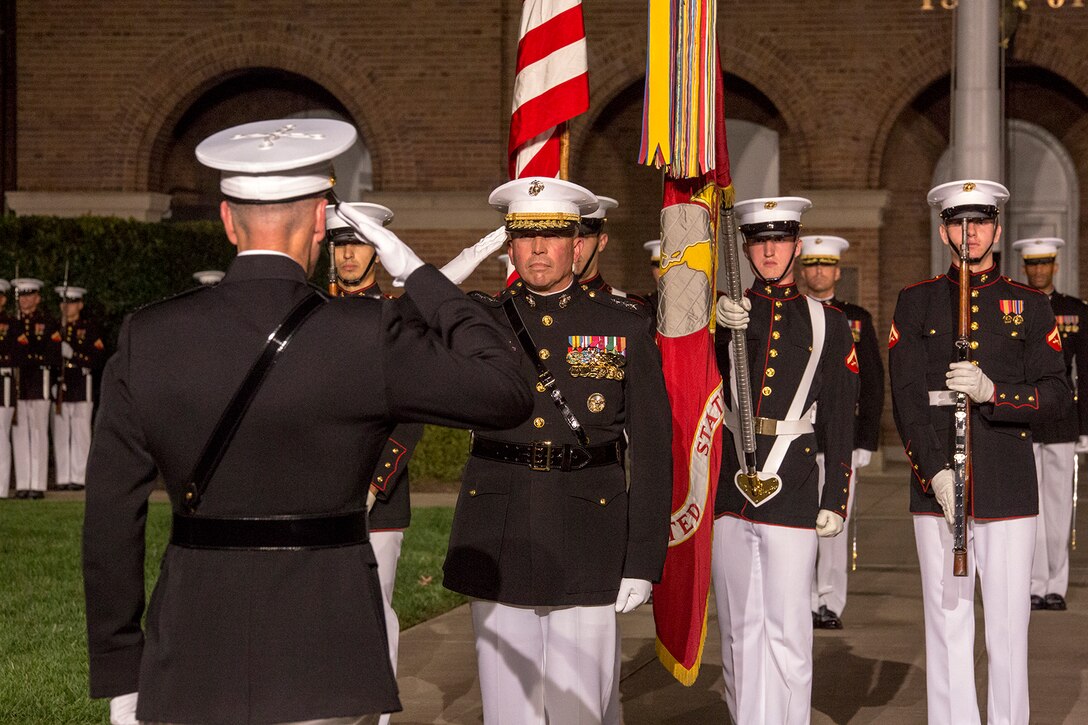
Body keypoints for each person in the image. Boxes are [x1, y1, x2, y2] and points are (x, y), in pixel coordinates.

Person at [82, 117, 532, 725]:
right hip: (324, 649)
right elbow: (506, 391)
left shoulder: (149, 336)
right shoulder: (367, 335)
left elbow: (111, 515)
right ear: (321, 220)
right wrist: (421, 276)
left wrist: (118, 666)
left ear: (226, 219)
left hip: (191, 644)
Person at [442, 177, 672, 725]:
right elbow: (402, 324)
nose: (538, 250)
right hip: (498, 525)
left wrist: (642, 558)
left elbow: (653, 448)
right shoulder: (480, 320)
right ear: (509, 245)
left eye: (552, 237)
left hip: (587, 530)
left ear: (579, 243)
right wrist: (469, 257)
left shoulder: (626, 325)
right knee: (507, 708)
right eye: (524, 237)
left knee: (578, 708)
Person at [889, 180, 1067, 725]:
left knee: (1009, 629)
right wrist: (934, 472)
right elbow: (906, 398)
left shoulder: (1030, 305)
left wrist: (996, 393)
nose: (970, 234)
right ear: (944, 230)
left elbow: (1056, 395)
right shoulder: (916, 301)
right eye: (958, 223)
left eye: (981, 223)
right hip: (940, 484)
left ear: (996, 228)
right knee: (946, 624)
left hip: (1007, 484)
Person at [713, 197, 858, 725]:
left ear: (797, 246)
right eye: (759, 241)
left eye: (779, 240)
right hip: (732, 487)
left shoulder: (828, 322)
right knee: (738, 629)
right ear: (747, 249)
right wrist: (712, 331)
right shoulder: (726, 315)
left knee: (789, 630)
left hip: (793, 483)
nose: (769, 250)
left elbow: (840, 417)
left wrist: (835, 497)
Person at [326, 202, 424, 725]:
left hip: (375, 495)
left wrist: (374, 483)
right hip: (319, 490)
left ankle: (376, 712)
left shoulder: (398, 320)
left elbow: (409, 416)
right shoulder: (314, 313)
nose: (347, 254)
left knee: (374, 603)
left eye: (357, 244)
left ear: (377, 252)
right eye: (340, 244)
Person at [798, 234, 884, 629]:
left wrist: (865, 439)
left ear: (837, 271)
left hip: (840, 436)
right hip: (797, 436)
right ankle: (800, 598)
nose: (818, 272)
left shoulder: (856, 319)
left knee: (834, 522)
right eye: (811, 265)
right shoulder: (793, 314)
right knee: (797, 526)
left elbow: (871, 383)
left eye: (825, 265)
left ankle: (828, 602)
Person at [1011, 236, 1088, 612]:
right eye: (1032, 264)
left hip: (1061, 420)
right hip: (1025, 417)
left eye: (1045, 264)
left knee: (1058, 508)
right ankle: (1030, 581)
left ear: (1055, 266)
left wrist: (1086, 427)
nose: (1038, 270)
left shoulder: (1075, 310)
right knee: (1028, 507)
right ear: (1024, 268)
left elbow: (1085, 372)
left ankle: (1054, 584)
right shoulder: (1013, 307)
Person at [10, 277, 60, 500]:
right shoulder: (12, 322)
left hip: (40, 381)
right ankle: (22, 483)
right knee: (20, 432)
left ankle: (37, 484)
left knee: (38, 432)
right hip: (19, 383)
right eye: (21, 296)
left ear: (38, 298)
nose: (24, 300)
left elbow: (53, 352)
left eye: (29, 296)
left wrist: (29, 357)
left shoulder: (47, 323)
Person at [53, 285, 106, 492]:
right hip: (60, 385)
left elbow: (98, 358)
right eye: (65, 303)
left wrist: (73, 354)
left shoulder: (90, 329)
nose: (68, 307)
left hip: (82, 385)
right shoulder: (56, 329)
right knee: (61, 432)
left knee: (81, 432)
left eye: (72, 303)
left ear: (80, 305)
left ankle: (80, 476)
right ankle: (63, 477)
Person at [0, 279, 14, 498]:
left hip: (3, 387)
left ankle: (1, 487)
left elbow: (17, 354)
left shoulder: (11, 324)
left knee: (1, 435)